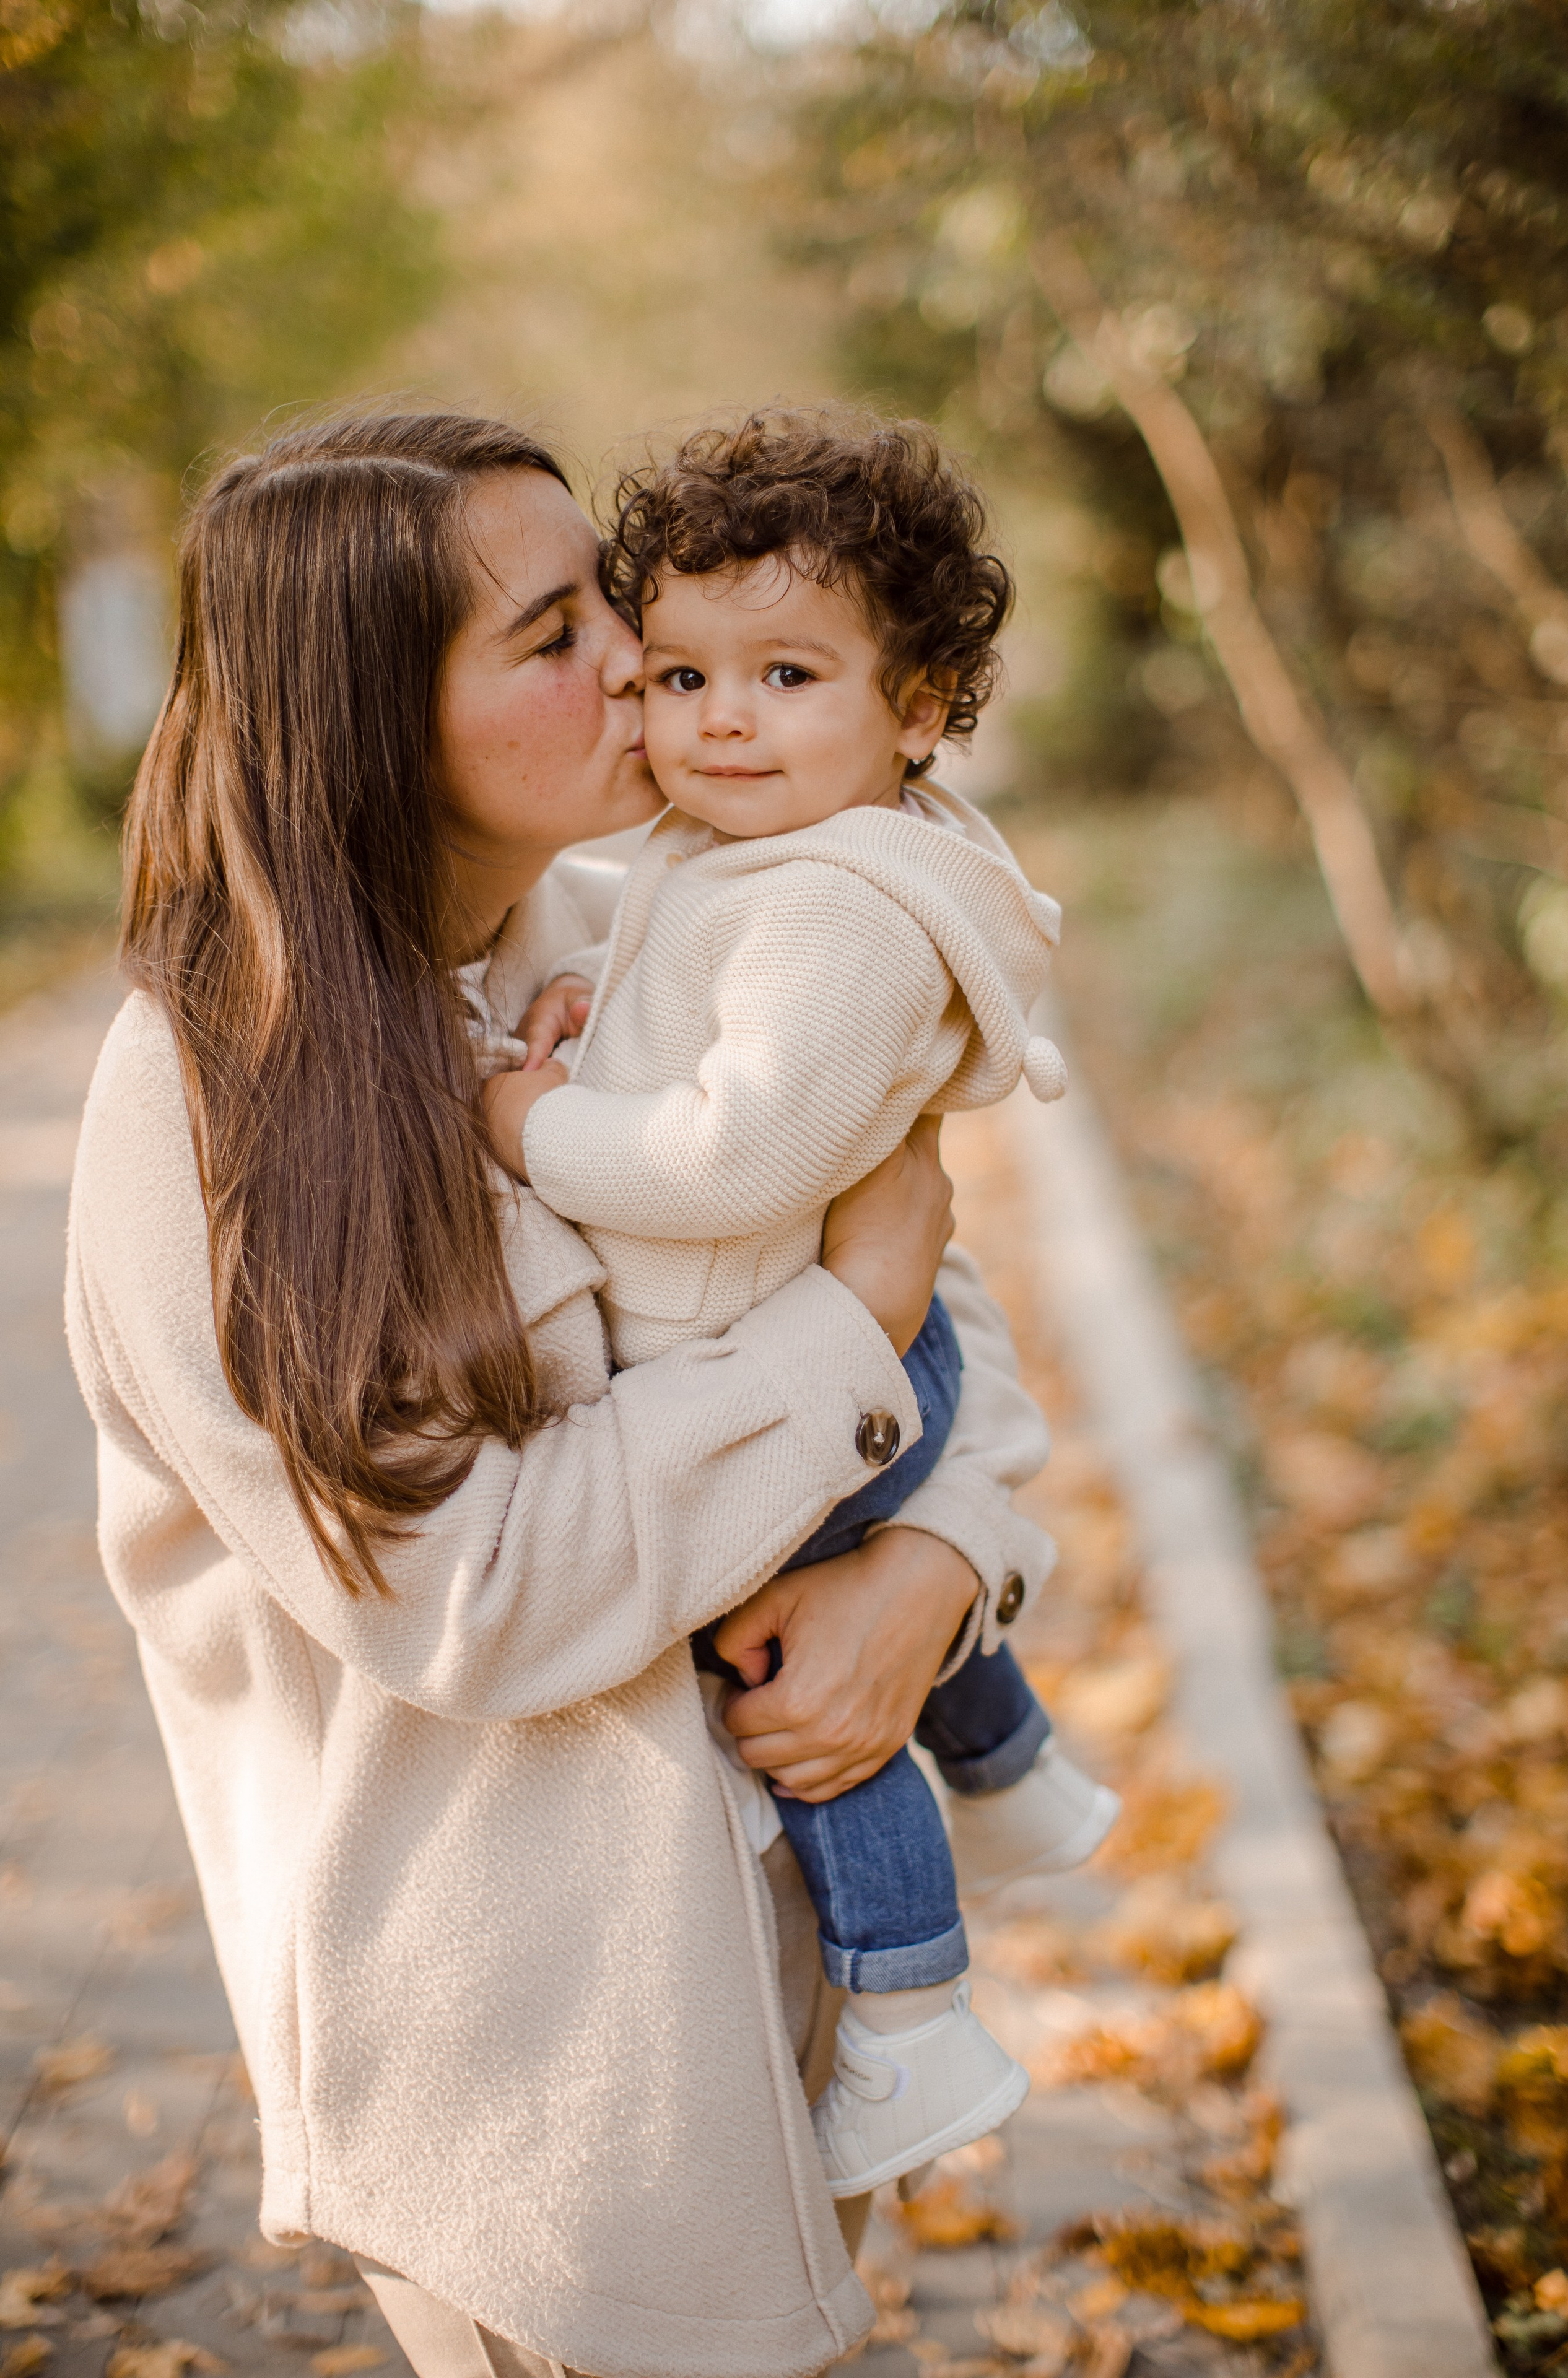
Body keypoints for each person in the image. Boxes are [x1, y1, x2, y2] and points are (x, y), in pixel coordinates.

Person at [65, 410, 1061, 2378]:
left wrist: (933, 1571)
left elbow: (935, 1306)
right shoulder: (211, 1113)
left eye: (607, 598)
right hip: (531, 2041)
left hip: (772, 1919)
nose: (636, 658)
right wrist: (843, 1331)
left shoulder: (638, 933)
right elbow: (473, 1594)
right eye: (550, 635)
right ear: (371, 721)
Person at [476, 409, 1118, 2200]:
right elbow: (674, 961)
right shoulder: (774, 844)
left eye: (785, 673)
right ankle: (1021, 1766)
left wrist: (532, 1122)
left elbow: (727, 1159)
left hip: (789, 1345)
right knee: (862, 1599)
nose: (720, 718)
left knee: (784, 1673)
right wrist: (590, 1011)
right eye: (679, 674)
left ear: (919, 710)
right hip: (812, 1332)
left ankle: (911, 2028)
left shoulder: (843, 908)